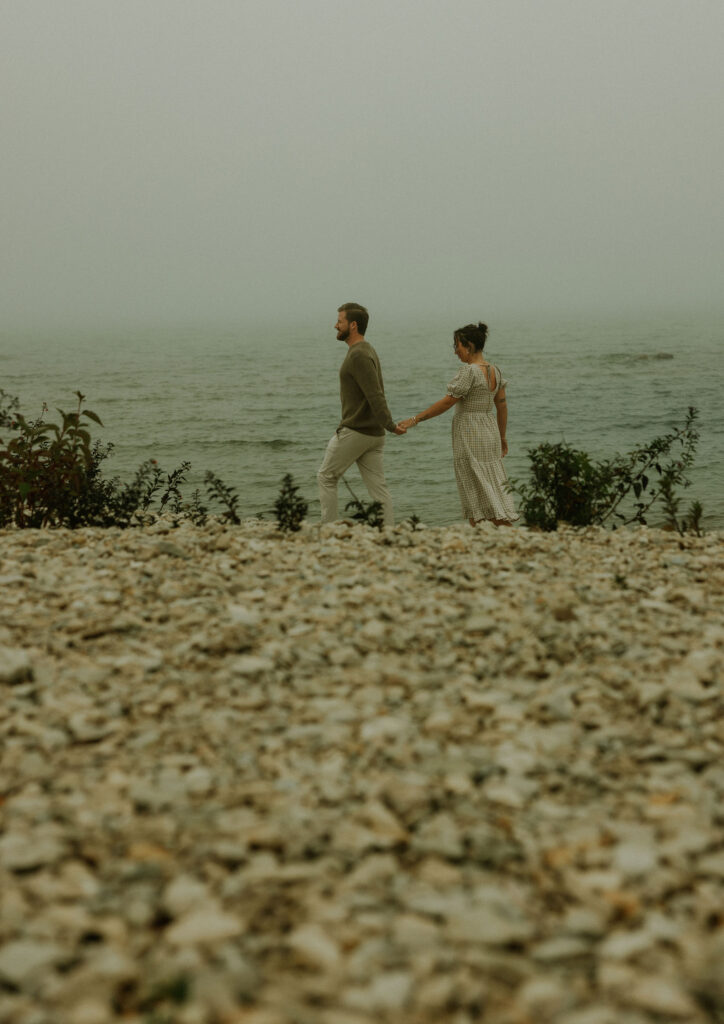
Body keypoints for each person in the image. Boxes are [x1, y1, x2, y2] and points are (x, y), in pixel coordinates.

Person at [398, 322, 518, 526]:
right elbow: (502, 407)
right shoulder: (495, 371)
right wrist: (503, 437)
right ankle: (501, 529)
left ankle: (484, 530)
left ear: (469, 346)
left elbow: (447, 402)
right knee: (492, 483)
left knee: (473, 484)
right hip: (490, 433)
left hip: (470, 432)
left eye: (457, 346)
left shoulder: (469, 372)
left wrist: (414, 420)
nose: (455, 352)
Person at [318, 303, 406, 527]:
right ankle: (388, 531)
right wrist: (385, 427)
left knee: (326, 477)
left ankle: (328, 529)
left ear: (353, 325)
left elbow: (375, 394)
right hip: (373, 435)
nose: (335, 325)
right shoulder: (366, 350)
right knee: (378, 488)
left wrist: (390, 425)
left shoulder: (358, 355)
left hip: (357, 431)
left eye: (340, 321)